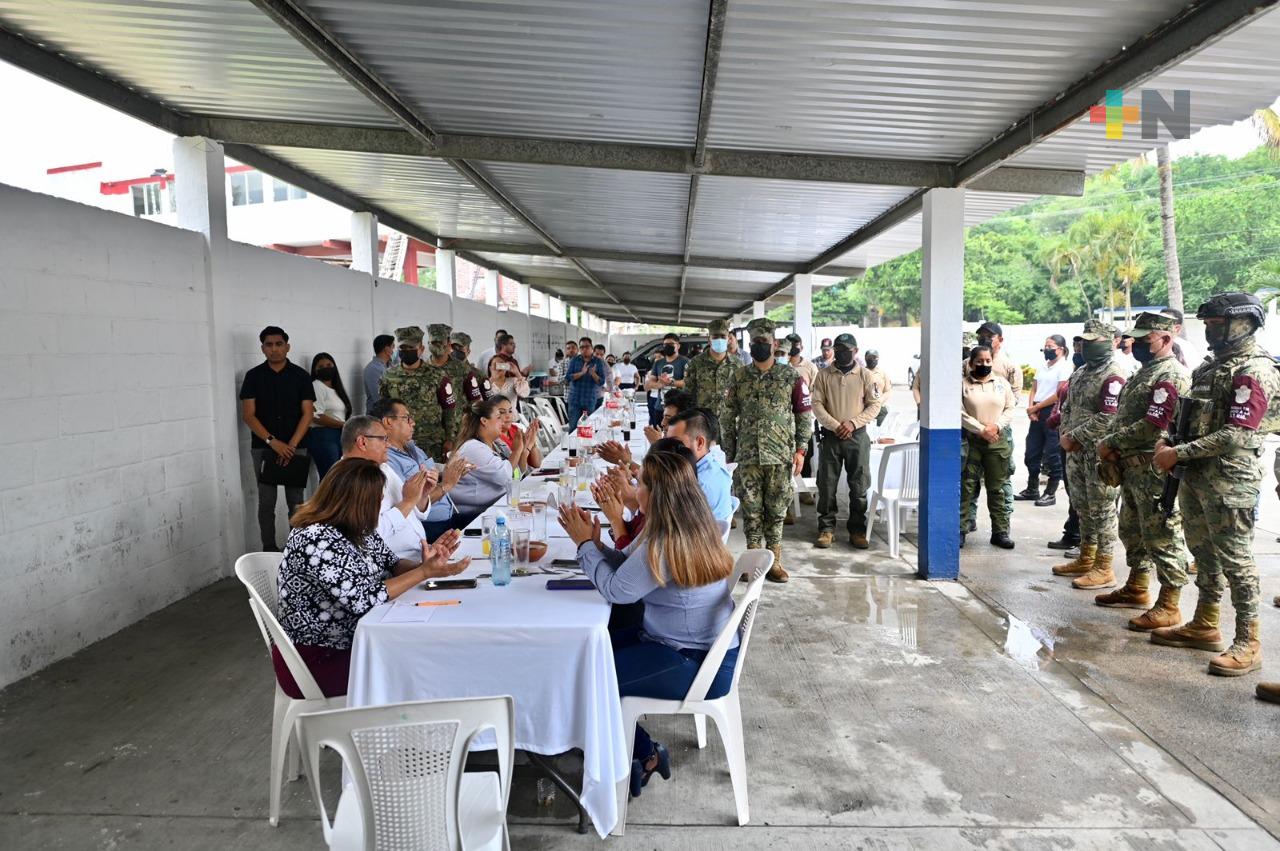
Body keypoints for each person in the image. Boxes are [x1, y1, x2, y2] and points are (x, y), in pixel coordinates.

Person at [558, 450, 737, 799]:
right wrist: (594, 544)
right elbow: (626, 568)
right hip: (688, 646)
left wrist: (583, 545)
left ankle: (640, 755)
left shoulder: (666, 540)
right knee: (579, 658)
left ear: (656, 494)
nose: (634, 490)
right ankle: (639, 753)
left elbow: (616, 590)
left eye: (640, 483)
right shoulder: (678, 524)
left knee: (586, 677)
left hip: (694, 661)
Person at [1151, 293, 1280, 680]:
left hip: (1230, 479)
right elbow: (1188, 415)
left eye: (1216, 323)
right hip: (1196, 475)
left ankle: (1248, 642)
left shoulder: (1253, 370)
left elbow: (1239, 433)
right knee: (1202, 552)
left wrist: (1179, 453)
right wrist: (1168, 442)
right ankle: (1206, 622)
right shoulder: (1212, 368)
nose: (1208, 329)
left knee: (1236, 560)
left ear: (1242, 323)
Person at [274, 458, 467, 698]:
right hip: (317, 657)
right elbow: (363, 599)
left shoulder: (355, 527)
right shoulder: (316, 538)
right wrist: (423, 573)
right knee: (422, 668)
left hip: (357, 643)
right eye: (377, 498)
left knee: (429, 659)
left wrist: (426, 564)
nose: (381, 503)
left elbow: (392, 564)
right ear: (355, 501)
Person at [1093, 312, 1191, 627]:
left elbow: (1154, 425)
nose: (1136, 344)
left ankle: (1169, 603)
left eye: (1145, 339)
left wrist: (1111, 440)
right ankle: (1137, 587)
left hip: (1153, 470)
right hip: (1133, 468)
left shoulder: (1169, 375)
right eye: (1135, 338)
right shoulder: (1145, 371)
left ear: (1166, 339)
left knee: (1161, 534)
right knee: (1133, 530)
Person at [723, 317, 813, 581]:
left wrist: (800, 450)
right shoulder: (739, 376)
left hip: (780, 456)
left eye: (763, 342)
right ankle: (752, 561)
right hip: (748, 456)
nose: (759, 346)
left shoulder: (791, 377)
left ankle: (774, 561)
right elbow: (727, 416)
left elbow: (804, 415)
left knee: (776, 511)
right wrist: (730, 452)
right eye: (754, 343)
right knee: (751, 511)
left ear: (774, 344)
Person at [1052, 320, 1126, 584]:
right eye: (1084, 342)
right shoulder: (1082, 371)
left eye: (1093, 342)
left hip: (1098, 454)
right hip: (1075, 451)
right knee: (1082, 506)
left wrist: (1075, 436)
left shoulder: (1113, 374)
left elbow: (1109, 416)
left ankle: (1104, 567)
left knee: (1102, 509)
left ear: (1109, 343)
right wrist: (1065, 434)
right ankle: (1086, 557)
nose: (1086, 346)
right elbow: (1068, 405)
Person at [240, 326, 315, 552]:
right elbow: (249, 415)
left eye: (279, 344)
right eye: (269, 345)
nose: (274, 349)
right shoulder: (253, 377)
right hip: (264, 448)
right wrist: (273, 442)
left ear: (287, 346)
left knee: (296, 503)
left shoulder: (301, 376)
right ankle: (269, 551)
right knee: (266, 502)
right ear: (262, 348)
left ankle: (296, 551)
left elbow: (308, 414)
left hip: (296, 448)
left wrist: (290, 445)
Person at [810, 333, 882, 550]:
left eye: (847, 350)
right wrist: (835, 425)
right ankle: (826, 529)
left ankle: (857, 530)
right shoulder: (823, 375)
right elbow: (817, 404)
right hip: (831, 437)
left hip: (857, 436)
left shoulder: (866, 376)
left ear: (856, 351)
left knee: (859, 484)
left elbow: (874, 406)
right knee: (827, 484)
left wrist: (852, 423)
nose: (842, 353)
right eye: (838, 349)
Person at [372, 399, 472, 542]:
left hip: (449, 516)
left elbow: (432, 476)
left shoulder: (413, 448)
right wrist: (446, 485)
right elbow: (409, 503)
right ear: (388, 422)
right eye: (406, 418)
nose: (413, 422)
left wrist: (453, 470)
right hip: (429, 527)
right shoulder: (387, 461)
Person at [960, 345, 1017, 549]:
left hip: (997, 442)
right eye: (979, 361)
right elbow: (960, 413)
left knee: (998, 488)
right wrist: (981, 429)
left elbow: (1011, 408)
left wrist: (996, 426)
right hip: (973, 442)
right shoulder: (963, 385)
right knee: (967, 487)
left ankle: (1000, 532)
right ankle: (961, 529)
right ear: (971, 363)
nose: (984, 364)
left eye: (987, 361)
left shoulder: (1001, 384)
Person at [379, 325, 459, 462]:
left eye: (411, 348)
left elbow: (449, 409)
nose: (407, 351)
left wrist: (450, 439)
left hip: (432, 443)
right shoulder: (389, 376)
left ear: (421, 349)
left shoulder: (438, 375)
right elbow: (383, 409)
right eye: (403, 348)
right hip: (399, 442)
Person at [450, 398, 536, 522]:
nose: (502, 421)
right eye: (498, 417)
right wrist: (516, 451)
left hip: (494, 509)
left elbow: (516, 474)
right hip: (472, 517)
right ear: (484, 421)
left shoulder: (496, 443)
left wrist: (525, 448)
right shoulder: (473, 447)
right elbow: (504, 477)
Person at [975, 321, 1022, 522]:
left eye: (989, 336)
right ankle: (968, 520)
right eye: (981, 336)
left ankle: (1003, 521)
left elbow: (1013, 401)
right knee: (970, 479)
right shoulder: (968, 364)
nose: (984, 339)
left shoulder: (1010, 367)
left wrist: (996, 425)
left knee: (1001, 479)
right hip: (975, 430)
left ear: (1000, 340)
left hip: (1000, 431)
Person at [1017, 335, 1072, 506]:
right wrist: (1031, 408)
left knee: (1052, 453)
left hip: (1051, 411)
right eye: (1045, 346)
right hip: (1036, 411)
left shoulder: (1065, 367)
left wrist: (1036, 408)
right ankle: (1032, 488)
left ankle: (1050, 492)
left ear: (1061, 349)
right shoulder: (1042, 367)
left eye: (1050, 346)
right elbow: (1034, 388)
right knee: (1031, 452)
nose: (1047, 350)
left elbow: (1059, 394)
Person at [665, 408, 735, 523]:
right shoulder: (710, 464)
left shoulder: (699, 484)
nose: (668, 449)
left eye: (676, 443)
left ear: (700, 443)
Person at [1047, 337, 1085, 551]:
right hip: (1065, 438)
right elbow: (1064, 403)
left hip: (1081, 443)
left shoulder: (1105, 376)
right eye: (1078, 348)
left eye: (1083, 348)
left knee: (1084, 496)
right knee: (1073, 491)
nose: (1080, 352)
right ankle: (1072, 533)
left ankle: (1081, 539)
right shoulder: (1078, 374)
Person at [682, 319, 740, 424]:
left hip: (729, 424)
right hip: (703, 422)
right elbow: (688, 394)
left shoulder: (737, 364)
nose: (719, 340)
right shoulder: (695, 363)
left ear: (728, 339)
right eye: (715, 337)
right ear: (709, 340)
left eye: (723, 337)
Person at [306, 352, 351, 480]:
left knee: (340, 478)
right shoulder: (316, 386)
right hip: (323, 436)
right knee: (330, 478)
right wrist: (344, 425)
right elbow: (315, 416)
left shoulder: (337, 389)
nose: (326, 368)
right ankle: (325, 501)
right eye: (320, 366)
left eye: (329, 364)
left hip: (339, 435)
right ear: (314, 370)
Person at [644, 333, 689, 426]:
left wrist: (671, 382)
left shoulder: (685, 362)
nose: (668, 346)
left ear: (678, 346)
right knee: (659, 436)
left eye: (671, 344)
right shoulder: (658, 363)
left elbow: (687, 382)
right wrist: (658, 385)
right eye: (665, 344)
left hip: (679, 408)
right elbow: (648, 384)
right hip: (660, 407)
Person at [566, 336, 607, 423]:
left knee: (588, 428)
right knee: (573, 427)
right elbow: (568, 378)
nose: (584, 349)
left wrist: (593, 374)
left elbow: (601, 382)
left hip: (589, 401)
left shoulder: (598, 362)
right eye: (582, 347)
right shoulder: (574, 360)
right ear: (580, 349)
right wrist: (581, 373)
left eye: (587, 346)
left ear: (592, 348)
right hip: (574, 401)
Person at [448, 331, 491, 405]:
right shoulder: (440, 372)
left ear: (468, 351)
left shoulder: (479, 375)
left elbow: (490, 402)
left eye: (460, 348)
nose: (456, 351)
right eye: (453, 347)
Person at [363, 334, 395, 412]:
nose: (394, 350)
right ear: (387, 349)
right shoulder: (373, 369)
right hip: (378, 416)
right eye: (393, 346)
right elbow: (380, 398)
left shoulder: (390, 366)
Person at [862, 350, 891, 427]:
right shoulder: (861, 373)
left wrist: (879, 401)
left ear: (878, 359)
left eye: (874, 357)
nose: (872, 359)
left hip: (879, 407)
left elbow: (888, 391)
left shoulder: (882, 374)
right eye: (869, 357)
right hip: (865, 408)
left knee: (881, 430)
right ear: (865, 358)